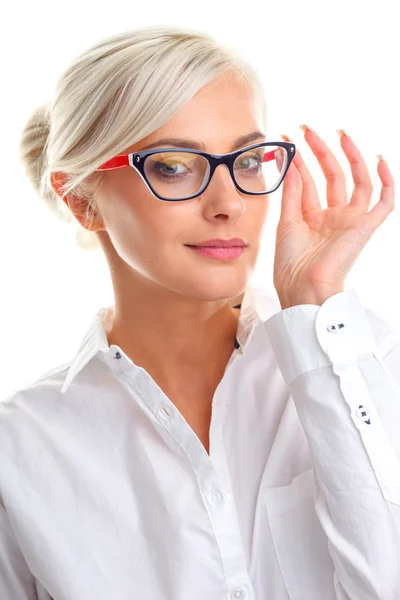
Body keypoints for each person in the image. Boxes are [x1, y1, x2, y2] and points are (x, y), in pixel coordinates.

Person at [1, 23, 399, 600]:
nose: (229, 203)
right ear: (82, 200)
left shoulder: (363, 363)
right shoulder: (22, 446)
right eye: (173, 166)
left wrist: (314, 305)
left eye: (248, 160)